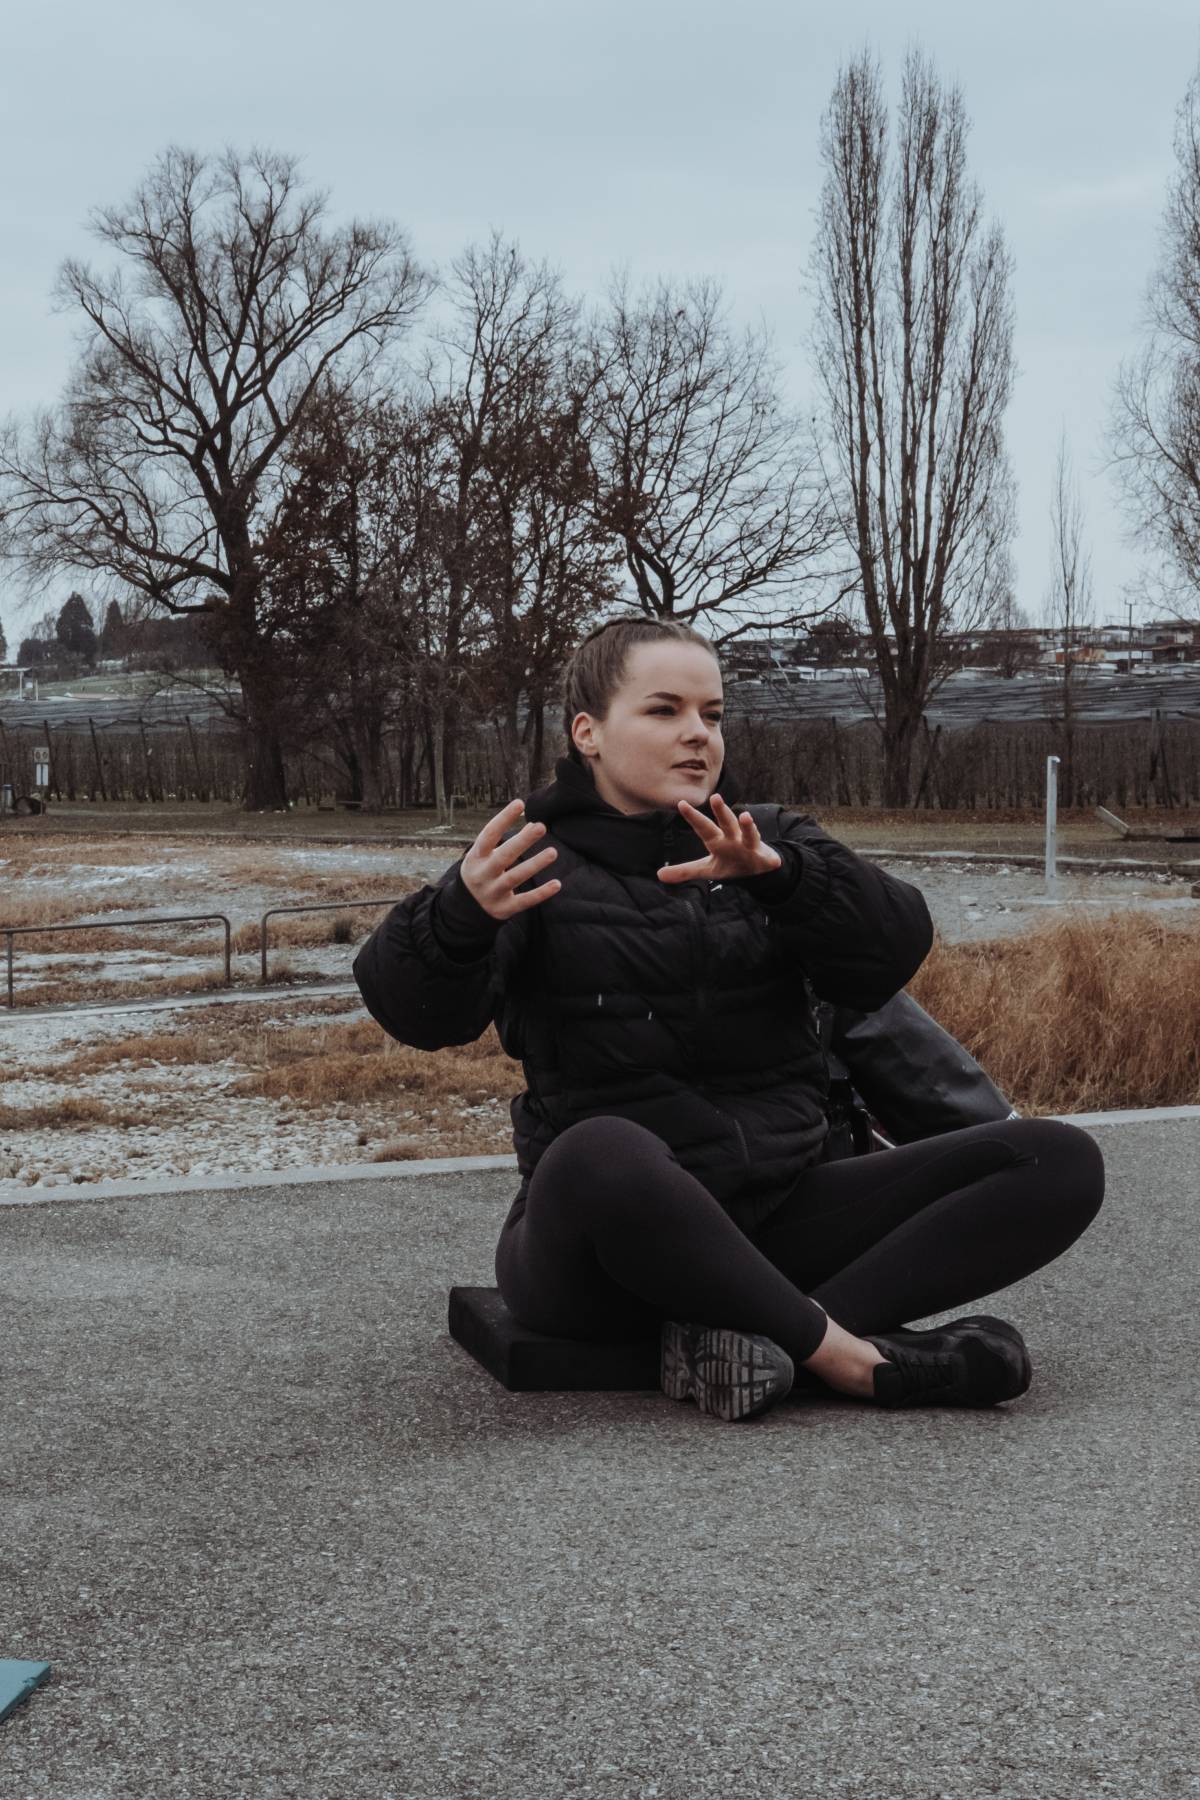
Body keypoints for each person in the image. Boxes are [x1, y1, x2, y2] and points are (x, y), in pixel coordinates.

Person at [354, 617, 1104, 1424]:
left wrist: (787, 885)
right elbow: (417, 1013)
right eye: (664, 710)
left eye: (712, 714)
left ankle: (775, 1345)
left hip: (780, 1216)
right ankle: (850, 1359)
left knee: (1058, 1161)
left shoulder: (771, 841)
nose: (697, 736)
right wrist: (460, 918)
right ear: (589, 733)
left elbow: (890, 951)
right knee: (601, 1149)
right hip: (606, 1255)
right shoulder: (530, 859)